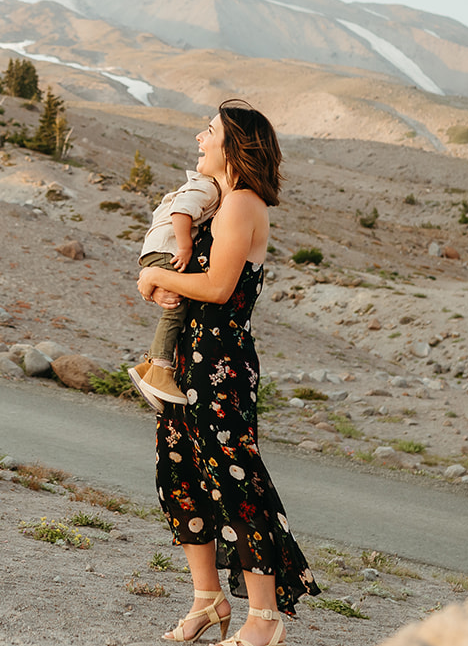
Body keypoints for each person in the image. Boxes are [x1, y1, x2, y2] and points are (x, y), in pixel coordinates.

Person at [138, 100, 319, 646]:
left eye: (209, 131)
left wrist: (150, 278)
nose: (199, 138)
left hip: (220, 362)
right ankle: (207, 599)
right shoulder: (216, 204)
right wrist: (157, 280)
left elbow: (218, 288)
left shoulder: (242, 204)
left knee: (234, 478)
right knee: (181, 476)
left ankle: (264, 617)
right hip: (190, 354)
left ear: (235, 146)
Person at [127, 170, 222, 411]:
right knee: (175, 309)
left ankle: (148, 368)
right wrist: (185, 247)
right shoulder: (208, 187)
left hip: (157, 249)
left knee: (173, 305)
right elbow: (181, 212)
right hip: (168, 249)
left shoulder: (203, 186)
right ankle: (159, 367)